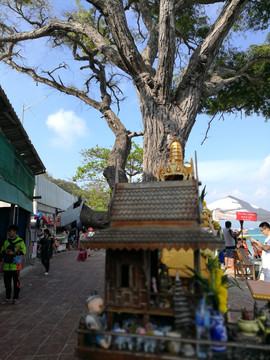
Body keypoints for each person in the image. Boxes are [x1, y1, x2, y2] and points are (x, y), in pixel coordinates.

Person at [0, 224, 26, 304]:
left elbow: (24, 251)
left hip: (16, 267)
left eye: (10, 231)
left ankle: (15, 298)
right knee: (7, 283)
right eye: (8, 231)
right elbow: (1, 251)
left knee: (16, 283)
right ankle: (7, 297)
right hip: (6, 266)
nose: (9, 233)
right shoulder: (6, 241)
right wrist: (5, 251)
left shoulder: (20, 241)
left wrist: (14, 253)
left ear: (15, 232)